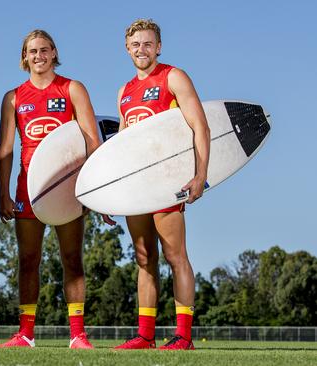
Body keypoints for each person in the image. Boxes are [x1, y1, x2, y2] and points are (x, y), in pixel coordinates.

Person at [0, 30, 110, 349]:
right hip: (28, 190)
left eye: (44, 50)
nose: (38, 56)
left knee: (72, 258)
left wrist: (92, 189)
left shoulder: (72, 88)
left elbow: (91, 140)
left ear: (54, 52)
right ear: (24, 57)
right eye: (32, 51)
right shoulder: (13, 97)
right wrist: (3, 193)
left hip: (68, 189)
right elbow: (5, 150)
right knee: (28, 260)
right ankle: (26, 334)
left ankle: (77, 334)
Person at [113, 19, 210, 351]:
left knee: (175, 255)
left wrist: (200, 175)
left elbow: (201, 126)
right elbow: (122, 146)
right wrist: (110, 195)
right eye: (136, 44)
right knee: (143, 258)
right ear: (127, 49)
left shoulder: (173, 77)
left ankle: (183, 337)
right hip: (136, 187)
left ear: (159, 47)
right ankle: (145, 336)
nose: (142, 49)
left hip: (167, 181)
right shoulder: (124, 91)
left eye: (148, 43)